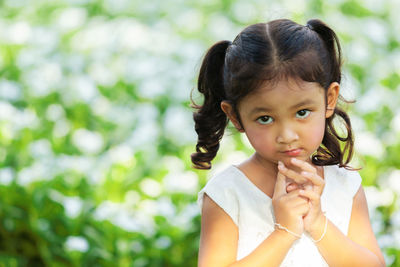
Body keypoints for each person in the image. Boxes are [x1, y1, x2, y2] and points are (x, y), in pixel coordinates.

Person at [191, 18, 385, 267]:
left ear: (330, 99)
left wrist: (318, 223)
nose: (287, 135)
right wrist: (284, 233)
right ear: (235, 116)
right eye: (265, 118)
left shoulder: (345, 186)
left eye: (302, 112)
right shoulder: (227, 194)